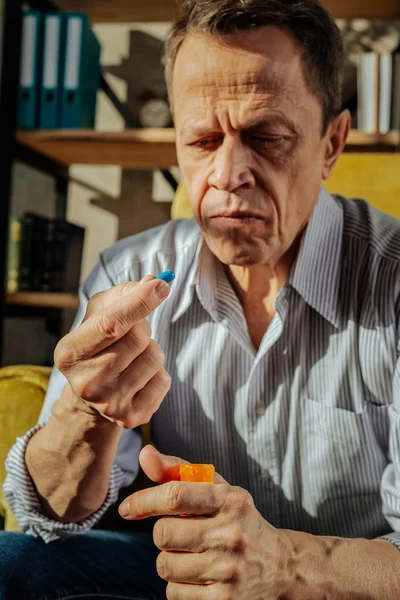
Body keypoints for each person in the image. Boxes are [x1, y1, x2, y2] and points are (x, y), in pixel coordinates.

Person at [2, 0, 400, 597]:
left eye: (266, 137)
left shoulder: (391, 282)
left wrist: (288, 566)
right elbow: (52, 517)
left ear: (331, 143)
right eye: (203, 139)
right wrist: (87, 413)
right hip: (180, 578)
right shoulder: (128, 272)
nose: (227, 173)